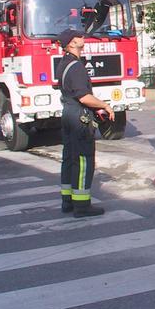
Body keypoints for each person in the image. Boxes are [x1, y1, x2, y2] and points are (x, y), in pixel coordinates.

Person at [55, 29, 115, 217]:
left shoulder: (64, 64)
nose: (83, 38)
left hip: (68, 114)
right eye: (79, 37)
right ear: (72, 43)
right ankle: (82, 205)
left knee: (69, 158)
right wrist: (105, 106)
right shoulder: (76, 66)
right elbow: (84, 97)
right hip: (79, 116)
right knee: (83, 160)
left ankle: (67, 201)